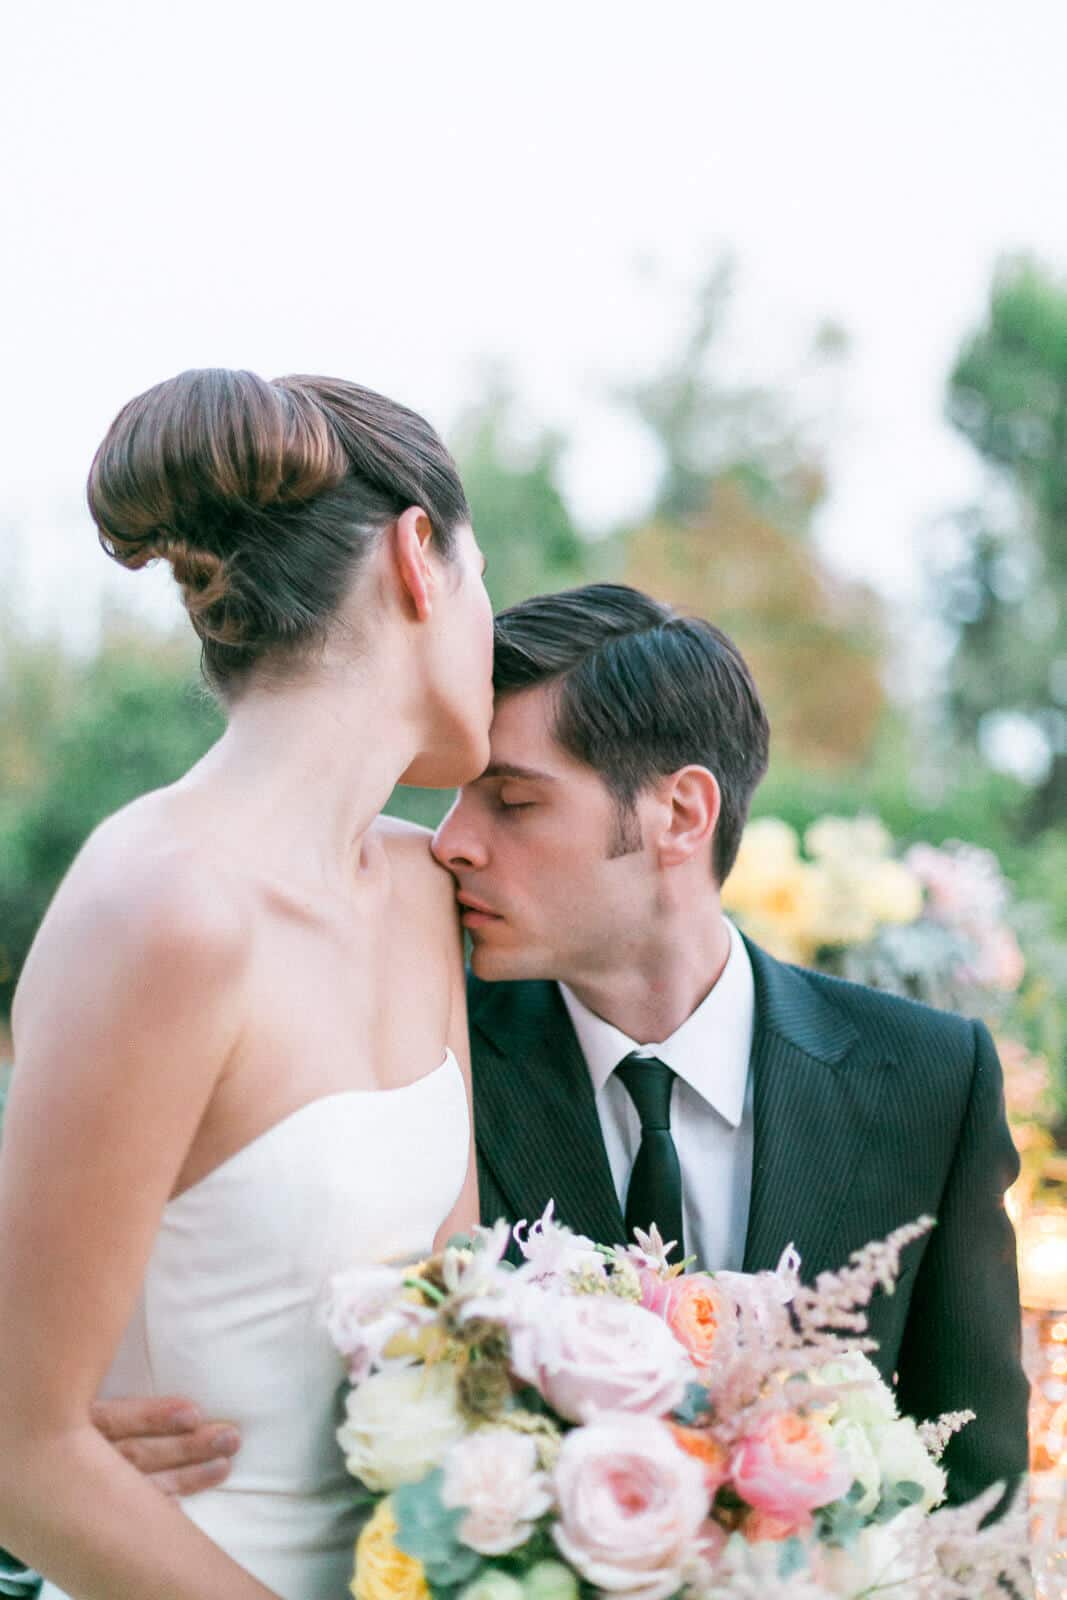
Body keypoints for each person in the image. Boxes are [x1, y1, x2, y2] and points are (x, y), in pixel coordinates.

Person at [3, 583, 1028, 1596]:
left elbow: (977, 1510)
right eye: (452, 795)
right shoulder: (413, 1074)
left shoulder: (927, 1081)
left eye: (514, 800)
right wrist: (76, 1431)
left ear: (679, 812)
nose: (450, 840)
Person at [0, 369, 492, 1600]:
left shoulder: (422, 889)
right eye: (486, 581)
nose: (493, 623)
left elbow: (462, 1328)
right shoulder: (159, 907)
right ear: (419, 556)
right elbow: (25, 1449)